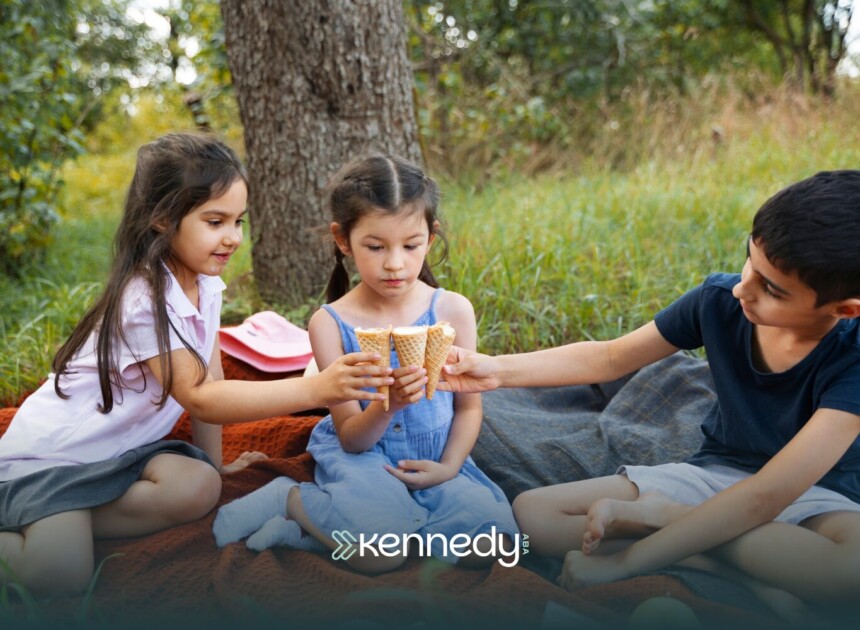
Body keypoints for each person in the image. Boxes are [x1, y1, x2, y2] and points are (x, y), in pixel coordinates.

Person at [437, 170, 860, 605]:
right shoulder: (717, 302)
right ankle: (736, 567)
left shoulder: (855, 358)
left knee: (852, 576)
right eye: (750, 261)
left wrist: (627, 561)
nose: (741, 289)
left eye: (771, 288)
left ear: (845, 309)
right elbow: (610, 358)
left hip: (820, 502)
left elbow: (766, 496)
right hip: (717, 475)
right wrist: (497, 370)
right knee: (534, 514)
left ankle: (666, 521)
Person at [0, 133, 393, 596]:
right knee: (60, 577)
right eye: (214, 221)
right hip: (54, 462)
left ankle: (70, 519)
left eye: (238, 221)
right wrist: (315, 389)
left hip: (115, 458)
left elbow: (214, 380)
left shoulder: (205, 284)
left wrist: (218, 462)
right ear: (163, 219)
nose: (232, 237)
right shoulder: (143, 299)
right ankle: (42, 520)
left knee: (200, 484)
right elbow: (200, 395)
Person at [213, 154, 518, 573]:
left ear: (430, 238)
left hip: (437, 455)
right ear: (343, 240)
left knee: (491, 545)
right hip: (365, 456)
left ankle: (315, 536)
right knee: (381, 554)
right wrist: (388, 404)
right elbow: (353, 438)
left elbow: (469, 406)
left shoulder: (452, 311)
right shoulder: (330, 325)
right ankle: (291, 500)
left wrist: (447, 468)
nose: (395, 263)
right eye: (375, 247)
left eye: (410, 246)